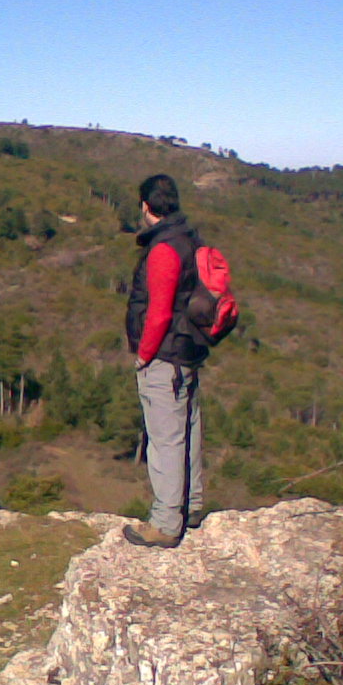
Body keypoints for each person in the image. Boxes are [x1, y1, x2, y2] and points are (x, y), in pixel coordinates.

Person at [123, 174, 208, 549]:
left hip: (164, 355)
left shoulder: (163, 249)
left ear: (146, 206)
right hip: (187, 349)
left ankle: (165, 524)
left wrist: (144, 354)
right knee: (188, 428)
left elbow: (158, 313)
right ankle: (191, 506)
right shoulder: (189, 238)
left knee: (165, 439)